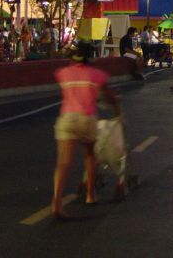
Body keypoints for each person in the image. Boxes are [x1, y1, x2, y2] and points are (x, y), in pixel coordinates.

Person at [51, 42, 118, 219]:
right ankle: (90, 194)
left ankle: (56, 202)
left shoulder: (63, 73)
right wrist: (116, 108)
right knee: (90, 156)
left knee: (63, 162)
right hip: (86, 118)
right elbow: (109, 96)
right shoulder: (96, 74)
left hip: (66, 118)